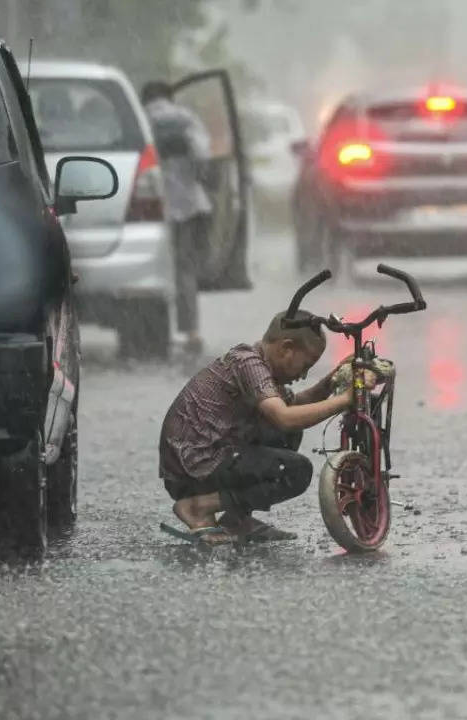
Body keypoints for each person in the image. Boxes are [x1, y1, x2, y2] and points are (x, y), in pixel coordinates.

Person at [159, 310, 371, 543]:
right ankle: (198, 507)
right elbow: (285, 417)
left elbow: (294, 405)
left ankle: (236, 519)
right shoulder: (248, 363)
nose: (303, 375)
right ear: (286, 348)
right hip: (193, 469)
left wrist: (332, 381)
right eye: (305, 365)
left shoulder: (259, 365)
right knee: (296, 471)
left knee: (286, 434)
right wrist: (344, 400)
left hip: (205, 460)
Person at [141, 81, 212, 356]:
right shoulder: (185, 118)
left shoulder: (140, 118)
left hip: (150, 207)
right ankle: (191, 332)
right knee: (186, 269)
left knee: (149, 271)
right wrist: (195, 175)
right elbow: (202, 154)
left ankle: (149, 332)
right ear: (169, 96)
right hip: (188, 204)